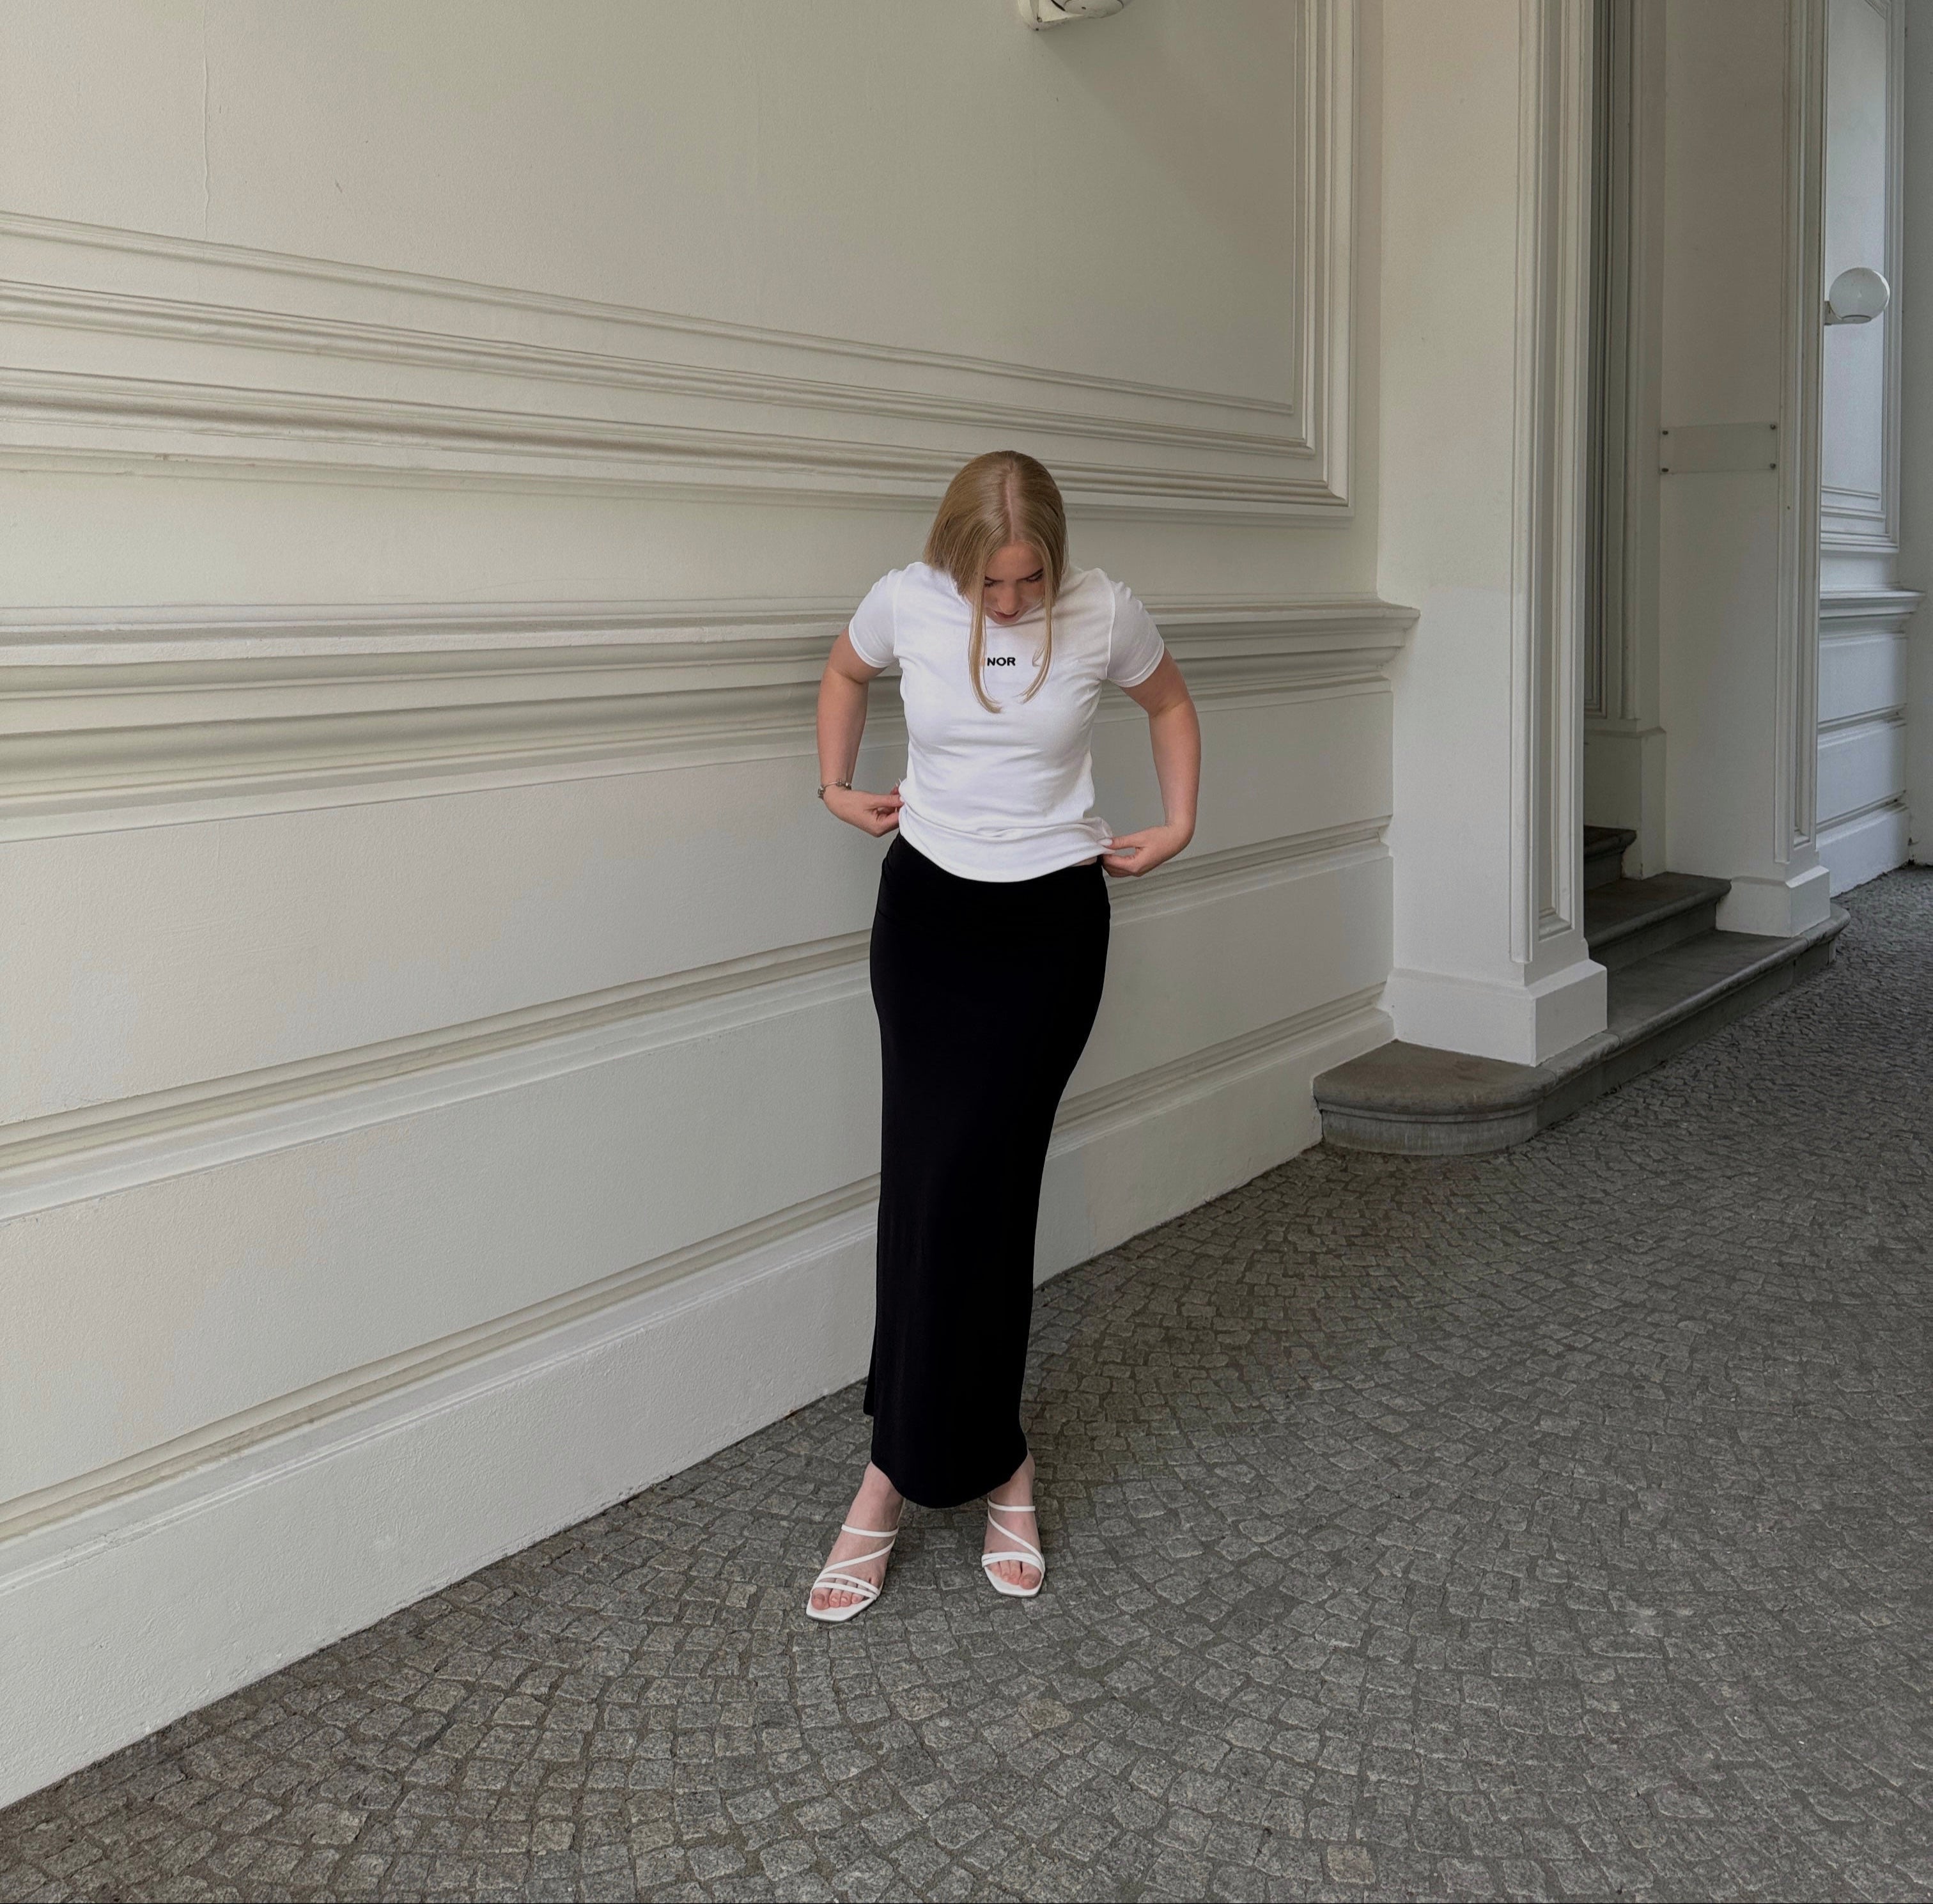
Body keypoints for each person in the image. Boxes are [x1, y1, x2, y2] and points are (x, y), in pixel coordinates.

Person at [806, 449, 1202, 1621]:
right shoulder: (907, 598)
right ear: (955, 559)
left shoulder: (1106, 610)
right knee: (925, 1188)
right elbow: (841, 670)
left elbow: (1170, 701)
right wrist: (834, 783)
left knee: (985, 1185)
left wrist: (1180, 820)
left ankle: (955, 1460)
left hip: (1048, 933)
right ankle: (916, 1464)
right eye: (994, 584)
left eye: (1031, 578)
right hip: (926, 920)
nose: (1014, 602)